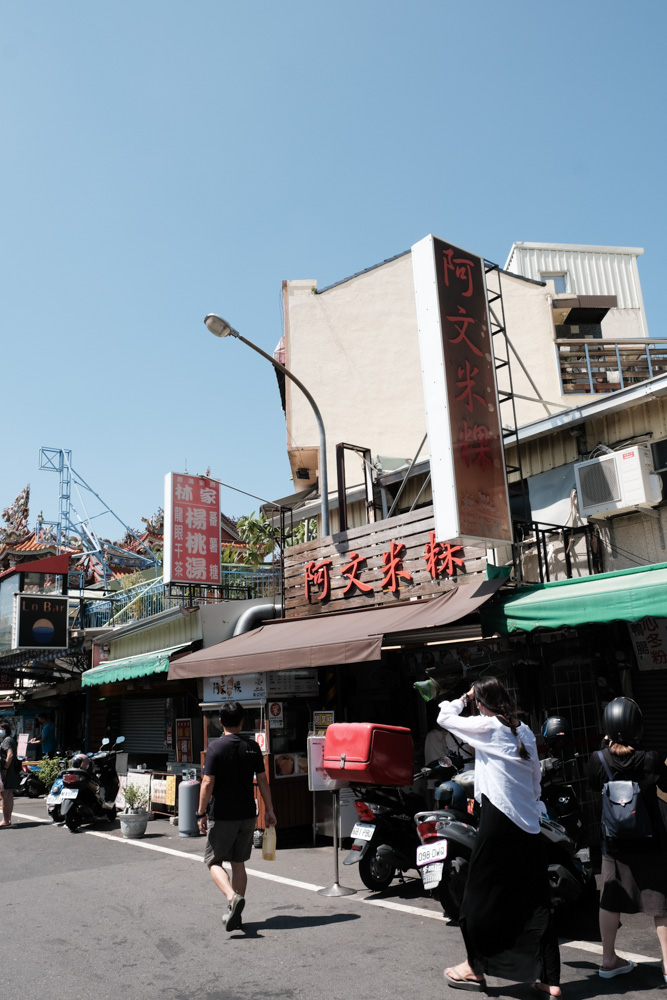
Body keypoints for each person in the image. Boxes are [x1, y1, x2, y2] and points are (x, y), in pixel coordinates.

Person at [436, 677, 561, 996]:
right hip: (529, 824)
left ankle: (473, 968)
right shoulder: (525, 732)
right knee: (537, 902)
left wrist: (464, 697)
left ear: (481, 703)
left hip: (498, 821)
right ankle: (551, 981)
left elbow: (444, 718)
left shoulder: (487, 726)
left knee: (477, 897)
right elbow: (535, 781)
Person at [587, 697, 667, 982]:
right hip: (651, 841)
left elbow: (594, 783)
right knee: (661, 905)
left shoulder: (598, 760)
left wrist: (606, 746)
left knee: (610, 900)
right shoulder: (651, 759)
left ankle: (608, 961)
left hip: (614, 842)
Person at [197, 701, 276, 932]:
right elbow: (262, 780)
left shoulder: (215, 748)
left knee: (213, 861)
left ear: (220, 721)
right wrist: (270, 810)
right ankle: (234, 913)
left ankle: (232, 898)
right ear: (242, 722)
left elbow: (207, 782)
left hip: (223, 815)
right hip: (248, 815)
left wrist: (200, 812)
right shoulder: (252, 747)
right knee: (238, 863)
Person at [0, 720, 20, 827]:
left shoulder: (6, 741)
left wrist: (5, 769)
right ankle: (8, 819)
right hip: (12, 772)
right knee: (9, 796)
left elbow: (10, 755)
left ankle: (5, 820)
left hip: (7, 772)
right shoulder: (10, 739)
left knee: (5, 796)